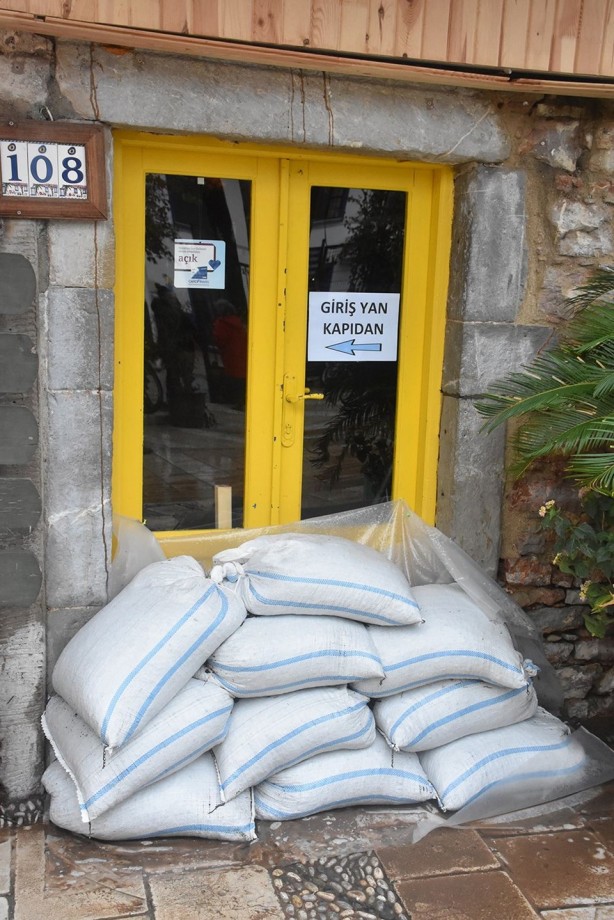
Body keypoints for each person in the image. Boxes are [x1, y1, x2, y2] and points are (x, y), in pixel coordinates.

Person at [212, 299, 247, 409]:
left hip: (230, 354)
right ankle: (243, 401)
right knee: (242, 377)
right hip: (242, 352)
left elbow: (219, 339)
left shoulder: (221, 323)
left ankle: (237, 401)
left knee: (234, 378)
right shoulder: (238, 322)